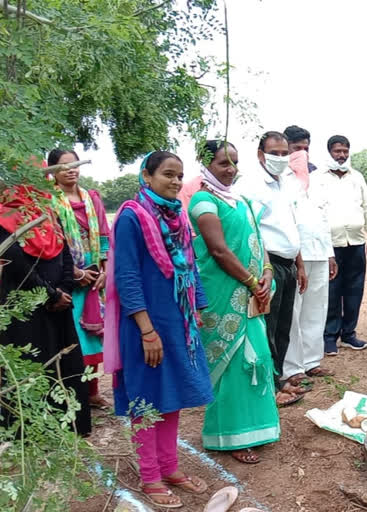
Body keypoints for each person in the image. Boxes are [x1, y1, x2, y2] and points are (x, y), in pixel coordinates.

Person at [105, 151, 212, 508]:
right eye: (168, 174)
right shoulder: (132, 218)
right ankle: (150, 476)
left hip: (177, 321)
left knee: (173, 396)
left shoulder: (178, 216)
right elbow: (128, 276)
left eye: (180, 176)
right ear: (146, 177)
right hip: (145, 326)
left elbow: (191, 265)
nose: (176, 182)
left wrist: (197, 305)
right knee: (147, 400)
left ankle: (169, 467)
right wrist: (147, 331)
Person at [188, 140, 280, 463]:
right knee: (230, 364)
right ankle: (228, 436)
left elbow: (258, 241)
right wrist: (253, 282)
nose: (231, 170)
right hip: (222, 295)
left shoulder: (242, 201)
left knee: (256, 358)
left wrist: (267, 271)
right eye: (223, 163)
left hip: (252, 294)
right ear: (206, 165)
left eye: (234, 163)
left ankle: (258, 429)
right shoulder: (203, 201)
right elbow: (219, 250)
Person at [0, 184, 92, 436]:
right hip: (25, 305)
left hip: (58, 303)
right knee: (33, 362)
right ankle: (33, 432)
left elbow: (64, 252)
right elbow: (15, 262)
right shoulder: (4, 215)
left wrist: (64, 288)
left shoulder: (48, 211)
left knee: (64, 360)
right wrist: (49, 294)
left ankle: (70, 425)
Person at [234, 131, 308, 405]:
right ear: (260, 154)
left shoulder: (286, 184)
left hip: (288, 263)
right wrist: (264, 269)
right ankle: (270, 385)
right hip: (268, 264)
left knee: (283, 326)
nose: (280, 158)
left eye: (283, 153)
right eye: (274, 153)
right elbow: (251, 230)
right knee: (268, 326)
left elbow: (292, 227)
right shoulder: (251, 185)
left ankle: (279, 378)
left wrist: (299, 265)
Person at [48, 149, 111, 410]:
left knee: (93, 332)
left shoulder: (91, 198)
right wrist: (74, 272)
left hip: (95, 273)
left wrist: (104, 270)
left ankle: (92, 391)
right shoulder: (49, 201)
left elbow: (104, 236)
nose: (72, 170)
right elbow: (52, 238)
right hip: (66, 272)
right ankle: (72, 392)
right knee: (72, 335)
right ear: (52, 171)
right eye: (65, 166)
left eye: (75, 164)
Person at [282, 126, 337, 388]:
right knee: (294, 310)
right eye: (296, 149)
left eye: (305, 148)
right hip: (295, 254)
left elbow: (323, 217)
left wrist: (330, 254)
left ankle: (312, 361)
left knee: (317, 308)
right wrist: (296, 255)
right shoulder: (280, 178)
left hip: (319, 251)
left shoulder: (316, 178)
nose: (301, 153)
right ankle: (292, 367)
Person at [311, 135, 367, 355]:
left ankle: (349, 334)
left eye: (345, 151)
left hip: (356, 241)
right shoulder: (317, 177)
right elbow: (315, 210)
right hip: (331, 245)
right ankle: (329, 337)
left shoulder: (357, 177)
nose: (342, 155)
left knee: (355, 290)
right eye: (337, 151)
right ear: (329, 151)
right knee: (332, 290)